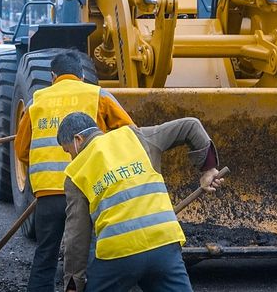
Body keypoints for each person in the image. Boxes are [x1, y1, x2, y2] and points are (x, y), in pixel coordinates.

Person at [57, 113, 224, 292]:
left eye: (69, 151)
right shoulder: (136, 136)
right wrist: (208, 169)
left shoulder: (76, 172)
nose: (71, 158)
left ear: (78, 139)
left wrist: (74, 283)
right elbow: (191, 125)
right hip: (164, 244)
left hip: (118, 254)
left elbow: (77, 236)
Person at [13, 49, 135, 291]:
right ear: (81, 74)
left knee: (46, 253)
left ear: (52, 76)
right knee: (88, 254)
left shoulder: (37, 100)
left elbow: (21, 150)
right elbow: (130, 134)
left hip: (48, 195)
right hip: (88, 192)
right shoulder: (98, 96)